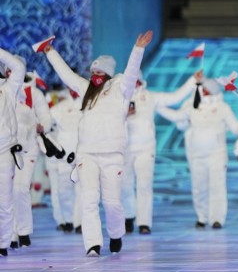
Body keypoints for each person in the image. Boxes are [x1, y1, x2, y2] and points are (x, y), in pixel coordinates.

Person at [39, 31, 153, 256]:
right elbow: (66, 75)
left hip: (113, 155)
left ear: (108, 74)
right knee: (89, 199)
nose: (95, 75)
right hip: (87, 155)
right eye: (93, 72)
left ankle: (116, 234)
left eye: (99, 72)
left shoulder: (121, 89)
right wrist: (50, 51)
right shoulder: (85, 91)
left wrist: (138, 49)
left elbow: (131, 73)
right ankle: (92, 243)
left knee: (111, 203)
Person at [158, 75, 238, 231]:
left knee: (217, 187)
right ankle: (202, 217)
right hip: (196, 154)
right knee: (198, 187)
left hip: (217, 154)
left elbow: (235, 127)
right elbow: (177, 116)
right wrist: (159, 107)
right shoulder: (192, 106)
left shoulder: (223, 107)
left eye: (204, 88)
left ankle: (217, 219)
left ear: (210, 90)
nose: (201, 90)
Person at [121, 71, 198, 235]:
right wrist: (122, 114)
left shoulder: (151, 96)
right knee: (124, 185)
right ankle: (128, 216)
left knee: (144, 185)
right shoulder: (118, 97)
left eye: (136, 80)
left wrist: (192, 81)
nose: (134, 82)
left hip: (146, 148)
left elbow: (175, 97)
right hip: (124, 148)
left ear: (141, 80)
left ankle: (144, 222)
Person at [11, 68, 54, 248]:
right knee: (6, 191)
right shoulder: (4, 91)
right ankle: (11, 235)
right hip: (6, 149)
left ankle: (24, 231)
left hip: (28, 148)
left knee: (20, 188)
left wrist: (42, 126)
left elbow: (47, 119)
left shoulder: (34, 93)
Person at [0, 48, 26, 258]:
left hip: (3, 153)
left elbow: (18, 67)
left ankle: (3, 243)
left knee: (5, 202)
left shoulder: (7, 90)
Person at [48, 86, 82, 233]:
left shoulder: (90, 105)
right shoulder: (58, 108)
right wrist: (54, 149)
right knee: (64, 190)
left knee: (83, 190)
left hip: (83, 153)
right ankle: (68, 219)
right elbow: (45, 127)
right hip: (64, 156)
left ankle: (79, 222)